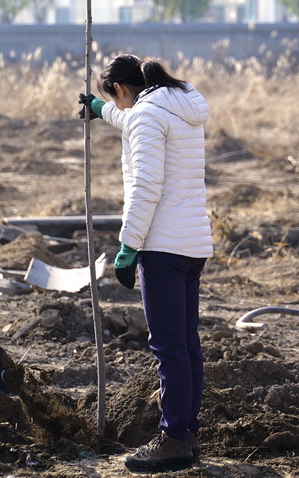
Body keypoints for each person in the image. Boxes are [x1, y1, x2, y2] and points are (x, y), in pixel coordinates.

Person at [79, 54, 213, 471]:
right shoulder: (179, 105)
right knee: (186, 344)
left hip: (161, 247)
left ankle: (173, 441)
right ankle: (185, 435)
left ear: (121, 89)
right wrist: (102, 111)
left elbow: (146, 188)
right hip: (192, 243)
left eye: (113, 100)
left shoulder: (147, 116)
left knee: (168, 347)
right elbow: (135, 120)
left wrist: (127, 246)